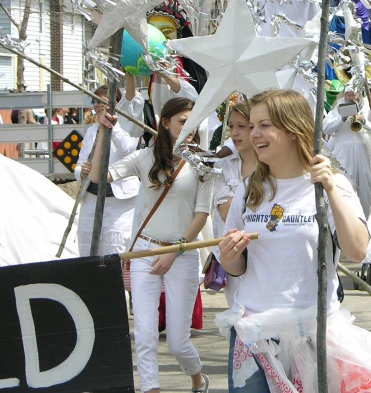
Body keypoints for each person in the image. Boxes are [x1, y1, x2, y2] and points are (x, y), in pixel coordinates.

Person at [217, 90, 371, 392]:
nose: (254, 134)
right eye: (251, 126)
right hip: (254, 333)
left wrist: (329, 188)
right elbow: (236, 268)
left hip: (312, 332)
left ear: (292, 129)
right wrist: (228, 254)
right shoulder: (249, 189)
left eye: (265, 125)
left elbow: (357, 250)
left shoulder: (330, 184)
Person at [90, 97, 212, 393]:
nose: (190, 128)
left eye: (193, 122)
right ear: (166, 123)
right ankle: (150, 389)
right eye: (184, 121)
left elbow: (202, 214)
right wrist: (103, 132)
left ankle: (197, 377)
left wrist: (175, 251)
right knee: (144, 334)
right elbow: (97, 176)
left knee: (177, 342)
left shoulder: (204, 164)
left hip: (181, 254)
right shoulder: (145, 157)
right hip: (145, 250)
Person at [75, 86, 139, 256]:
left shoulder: (129, 128)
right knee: (87, 241)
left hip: (120, 199)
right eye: (96, 102)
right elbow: (80, 163)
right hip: (91, 195)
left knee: (115, 245)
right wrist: (82, 171)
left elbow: (127, 148)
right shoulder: (91, 131)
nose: (99, 106)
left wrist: (112, 126)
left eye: (104, 101)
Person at [211, 101, 258, 308]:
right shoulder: (224, 166)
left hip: (266, 250)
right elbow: (225, 211)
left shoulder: (273, 165)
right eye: (231, 126)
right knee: (238, 314)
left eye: (241, 126)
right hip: (233, 253)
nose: (234, 133)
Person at [322, 85, 371, 216]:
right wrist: (342, 118)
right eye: (348, 95)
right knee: (344, 185)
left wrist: (363, 121)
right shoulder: (337, 109)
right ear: (344, 95)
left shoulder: (366, 106)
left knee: (366, 187)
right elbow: (326, 128)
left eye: (354, 95)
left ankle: (367, 217)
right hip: (343, 154)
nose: (351, 97)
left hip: (363, 152)